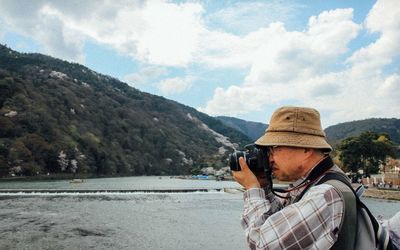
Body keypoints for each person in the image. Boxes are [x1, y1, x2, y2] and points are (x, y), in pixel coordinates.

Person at [232, 106, 396, 249]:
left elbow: (262, 243)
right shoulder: (318, 182)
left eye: (274, 148)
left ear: (305, 148)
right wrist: (262, 187)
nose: (270, 158)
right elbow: (277, 223)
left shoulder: (325, 194)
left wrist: (252, 189)